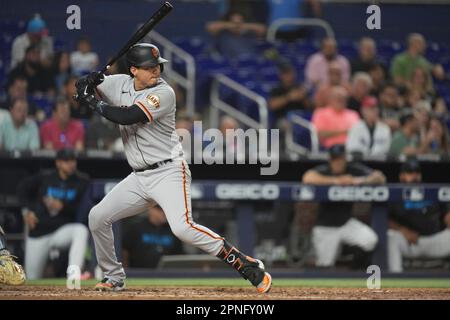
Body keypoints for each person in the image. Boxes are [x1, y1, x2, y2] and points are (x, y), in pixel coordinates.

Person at [74, 43, 272, 292]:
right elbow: (82, 84)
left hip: (168, 172)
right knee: (98, 217)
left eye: (158, 66)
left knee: (182, 228)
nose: (156, 71)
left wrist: (93, 102)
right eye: (149, 67)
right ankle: (113, 276)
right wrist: (87, 81)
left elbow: (127, 116)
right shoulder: (118, 83)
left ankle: (244, 263)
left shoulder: (164, 93)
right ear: (134, 70)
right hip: (139, 177)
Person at [302, 144, 385, 268]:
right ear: (330, 160)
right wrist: (337, 181)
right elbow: (307, 177)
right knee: (324, 266)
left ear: (345, 158)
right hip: (325, 227)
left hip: (346, 223)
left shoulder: (352, 170)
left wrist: (356, 181)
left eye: (340, 159)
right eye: (335, 159)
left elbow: (379, 177)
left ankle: (354, 270)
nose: (337, 163)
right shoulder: (325, 170)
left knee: (370, 239)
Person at [17, 149, 90, 279]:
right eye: (66, 161)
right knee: (32, 279)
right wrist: (26, 212)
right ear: (58, 163)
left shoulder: (81, 181)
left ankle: (73, 276)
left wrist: (63, 207)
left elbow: (81, 210)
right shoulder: (45, 177)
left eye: (73, 160)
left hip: (61, 231)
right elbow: (22, 188)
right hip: (39, 232)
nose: (71, 164)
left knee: (81, 231)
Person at [388, 160, 450, 272]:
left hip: (434, 240)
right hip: (410, 243)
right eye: (410, 172)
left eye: (416, 172)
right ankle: (395, 278)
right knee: (391, 237)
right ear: (402, 176)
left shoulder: (431, 191)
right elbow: (385, 220)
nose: (414, 176)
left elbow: (447, 213)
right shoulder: (395, 193)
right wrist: (402, 230)